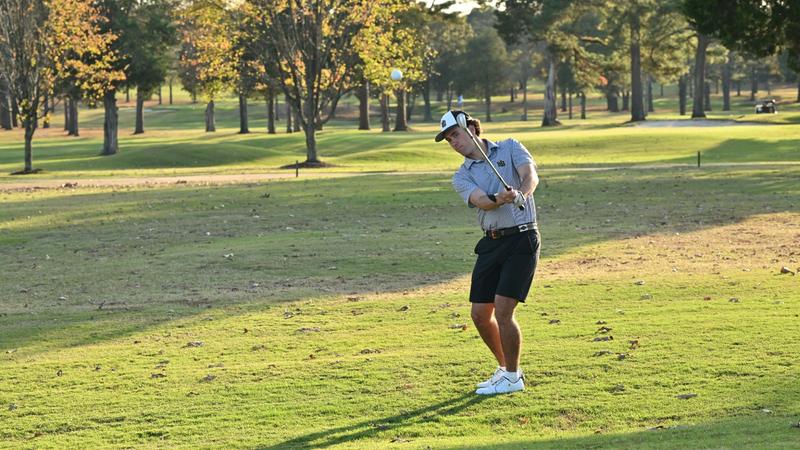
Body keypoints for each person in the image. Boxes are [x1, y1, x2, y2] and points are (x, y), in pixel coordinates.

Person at [435, 110, 540, 395]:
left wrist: (521, 193)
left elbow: (529, 176)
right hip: (491, 242)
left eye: (455, 134)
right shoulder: (461, 176)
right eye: (448, 139)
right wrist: (499, 198)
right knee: (481, 314)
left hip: (522, 239)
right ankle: (507, 369)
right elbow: (481, 201)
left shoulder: (510, 147)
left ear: (471, 127)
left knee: (503, 310)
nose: (453, 142)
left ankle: (512, 377)